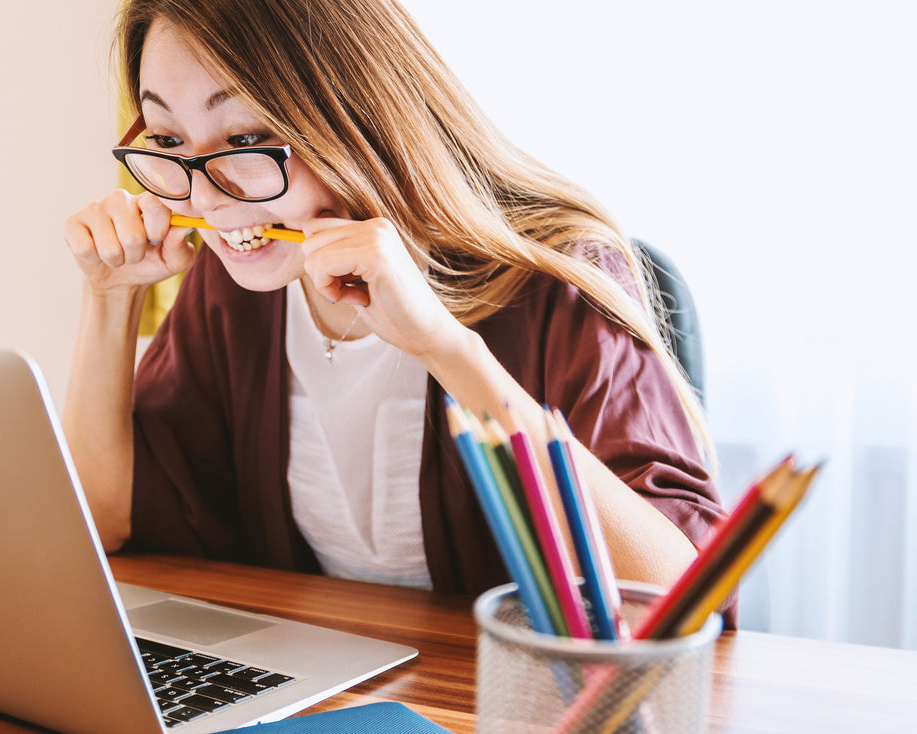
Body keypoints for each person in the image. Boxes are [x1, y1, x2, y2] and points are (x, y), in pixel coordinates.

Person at [63, 0, 731, 619]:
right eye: (170, 141)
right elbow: (103, 519)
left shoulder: (557, 279)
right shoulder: (233, 289)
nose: (207, 199)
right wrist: (111, 298)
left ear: (354, 114)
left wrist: (445, 347)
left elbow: (678, 598)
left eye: (244, 139)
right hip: (329, 693)